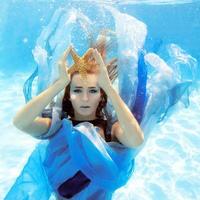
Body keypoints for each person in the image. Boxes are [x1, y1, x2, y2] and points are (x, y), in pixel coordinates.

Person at [5, 44, 144, 200]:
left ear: (101, 94)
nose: (85, 98)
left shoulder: (110, 130)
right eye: (77, 90)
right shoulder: (58, 127)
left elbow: (136, 140)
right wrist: (59, 85)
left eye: (93, 90)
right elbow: (21, 122)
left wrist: (109, 88)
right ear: (68, 94)